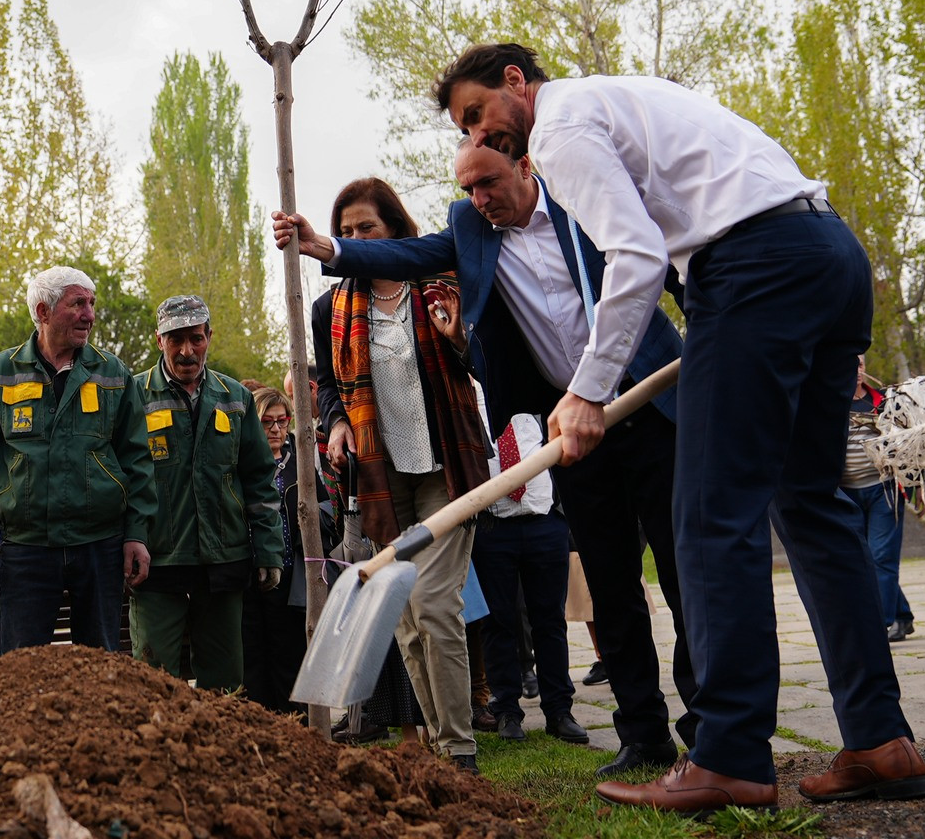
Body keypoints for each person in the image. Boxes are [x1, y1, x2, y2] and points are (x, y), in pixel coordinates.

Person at [437, 41, 925, 812]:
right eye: (464, 131)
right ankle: (880, 741)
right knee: (810, 508)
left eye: (477, 115)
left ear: (514, 82)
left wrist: (589, 389)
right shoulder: (616, 97)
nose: (478, 137)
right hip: (827, 252)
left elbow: (632, 256)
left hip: (754, 266)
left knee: (709, 516)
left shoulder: (559, 130)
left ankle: (729, 753)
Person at [277, 140, 693, 777]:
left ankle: (711, 726)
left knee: (683, 573)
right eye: (467, 189)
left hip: (642, 406)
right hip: (560, 434)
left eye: (487, 183)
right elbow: (404, 268)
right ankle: (643, 735)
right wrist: (327, 250)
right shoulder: (467, 233)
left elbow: (659, 259)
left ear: (526, 167)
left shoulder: (583, 204)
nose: (477, 200)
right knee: (609, 585)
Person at [302, 180, 492, 769]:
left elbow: (483, 362)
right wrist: (335, 424)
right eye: (348, 231)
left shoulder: (438, 285)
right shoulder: (330, 310)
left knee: (435, 605)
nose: (357, 239)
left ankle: (459, 750)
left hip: (445, 467)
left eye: (369, 229)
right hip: (382, 476)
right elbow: (330, 386)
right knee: (405, 619)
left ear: (396, 230)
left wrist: (460, 338)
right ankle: (436, 744)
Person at [0, 267, 155, 652]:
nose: (90, 314)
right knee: (20, 664)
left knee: (100, 662)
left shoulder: (113, 374)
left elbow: (137, 460)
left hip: (100, 544)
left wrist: (136, 534)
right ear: (43, 311)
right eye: (78, 304)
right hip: (26, 547)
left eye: (92, 304)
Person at [130, 295, 282, 693]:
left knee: (225, 684)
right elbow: (120, 480)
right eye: (175, 339)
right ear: (158, 339)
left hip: (223, 559)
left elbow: (260, 481)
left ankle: (222, 754)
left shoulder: (236, 399)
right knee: (153, 679)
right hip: (157, 562)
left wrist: (268, 550)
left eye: (195, 338)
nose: (186, 350)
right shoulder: (133, 397)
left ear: (208, 337)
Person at [475, 416, 588, 745]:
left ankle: (558, 711)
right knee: (498, 621)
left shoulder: (540, 400)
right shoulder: (472, 394)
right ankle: (507, 708)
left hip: (546, 523)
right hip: (492, 525)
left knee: (550, 620)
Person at [241, 386, 340, 713]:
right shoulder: (242, 462)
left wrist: (309, 520)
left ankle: (295, 724)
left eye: (282, 421)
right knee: (252, 654)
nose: (276, 429)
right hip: (249, 570)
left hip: (291, 573)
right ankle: (260, 723)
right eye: (267, 422)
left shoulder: (300, 462)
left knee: (289, 652)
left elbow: (328, 511)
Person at [842, 361, 922, 643]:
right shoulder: (828, 402)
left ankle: (880, 625)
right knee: (865, 561)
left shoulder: (883, 403)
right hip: (845, 493)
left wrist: (917, 485)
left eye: (860, 363)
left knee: (881, 557)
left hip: (883, 490)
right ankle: (901, 615)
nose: (856, 368)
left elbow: (911, 442)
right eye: (850, 362)